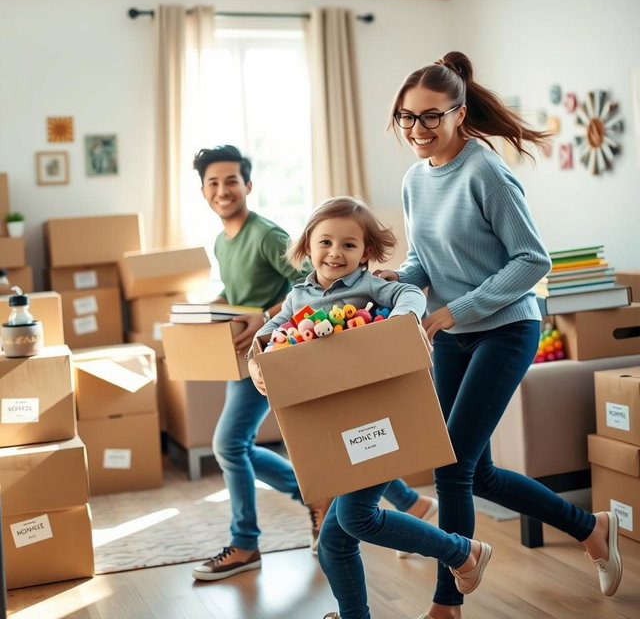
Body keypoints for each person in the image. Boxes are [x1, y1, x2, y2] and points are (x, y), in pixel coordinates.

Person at [376, 51, 623, 618]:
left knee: (451, 467)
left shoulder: (485, 171)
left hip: (506, 328)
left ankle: (446, 605)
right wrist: (401, 278)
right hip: (453, 333)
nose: (417, 129)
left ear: (459, 113)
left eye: (431, 116)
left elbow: (533, 261)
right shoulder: (416, 179)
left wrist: (457, 309)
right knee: (473, 468)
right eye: (406, 118)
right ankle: (591, 527)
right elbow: (425, 260)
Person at [248, 196, 493, 619]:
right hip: (333, 425)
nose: (335, 253)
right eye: (325, 242)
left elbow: (409, 293)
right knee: (333, 541)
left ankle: (461, 551)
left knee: (357, 518)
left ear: (366, 252)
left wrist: (400, 322)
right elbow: (273, 330)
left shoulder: (368, 287)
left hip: (377, 419)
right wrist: (256, 359)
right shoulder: (297, 297)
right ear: (307, 246)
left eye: (349, 245)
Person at [190, 144, 333, 582]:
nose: (223, 190)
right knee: (235, 445)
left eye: (231, 180)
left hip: (276, 352)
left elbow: (311, 283)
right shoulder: (221, 240)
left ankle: (246, 543)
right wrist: (203, 311)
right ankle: (317, 496)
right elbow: (241, 295)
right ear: (203, 191)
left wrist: (266, 316)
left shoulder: (267, 234)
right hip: (245, 359)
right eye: (213, 182)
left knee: (229, 444)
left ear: (248, 185)